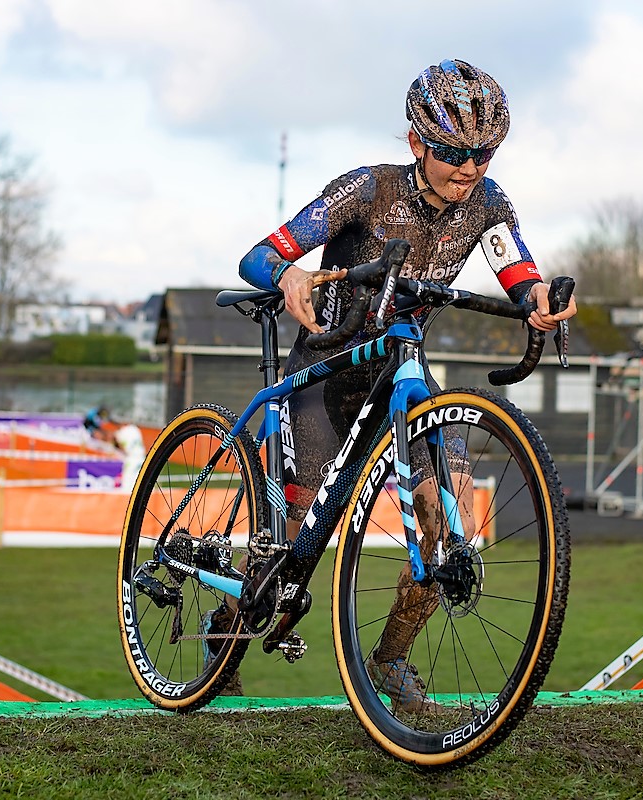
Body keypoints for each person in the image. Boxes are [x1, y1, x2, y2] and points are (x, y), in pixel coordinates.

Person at [213, 58, 579, 707]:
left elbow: (519, 270)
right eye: (452, 152)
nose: (468, 168)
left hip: (403, 373)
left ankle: (389, 660)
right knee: (286, 547)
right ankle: (225, 637)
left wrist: (544, 297)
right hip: (325, 375)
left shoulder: (489, 204)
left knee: (445, 523)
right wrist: (288, 276)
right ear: (416, 141)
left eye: (484, 154)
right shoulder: (366, 189)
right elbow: (258, 256)